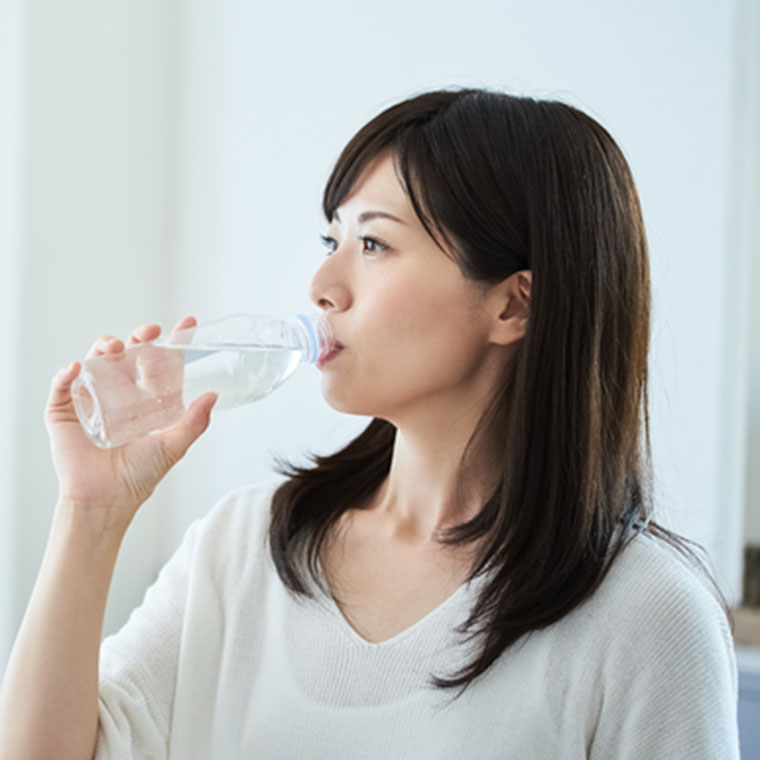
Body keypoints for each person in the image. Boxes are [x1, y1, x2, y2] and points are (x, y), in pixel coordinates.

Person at [0, 87, 739, 759]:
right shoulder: (244, 549)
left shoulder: (649, 618)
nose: (322, 286)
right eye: (333, 241)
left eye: (375, 244)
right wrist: (91, 516)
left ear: (514, 306)